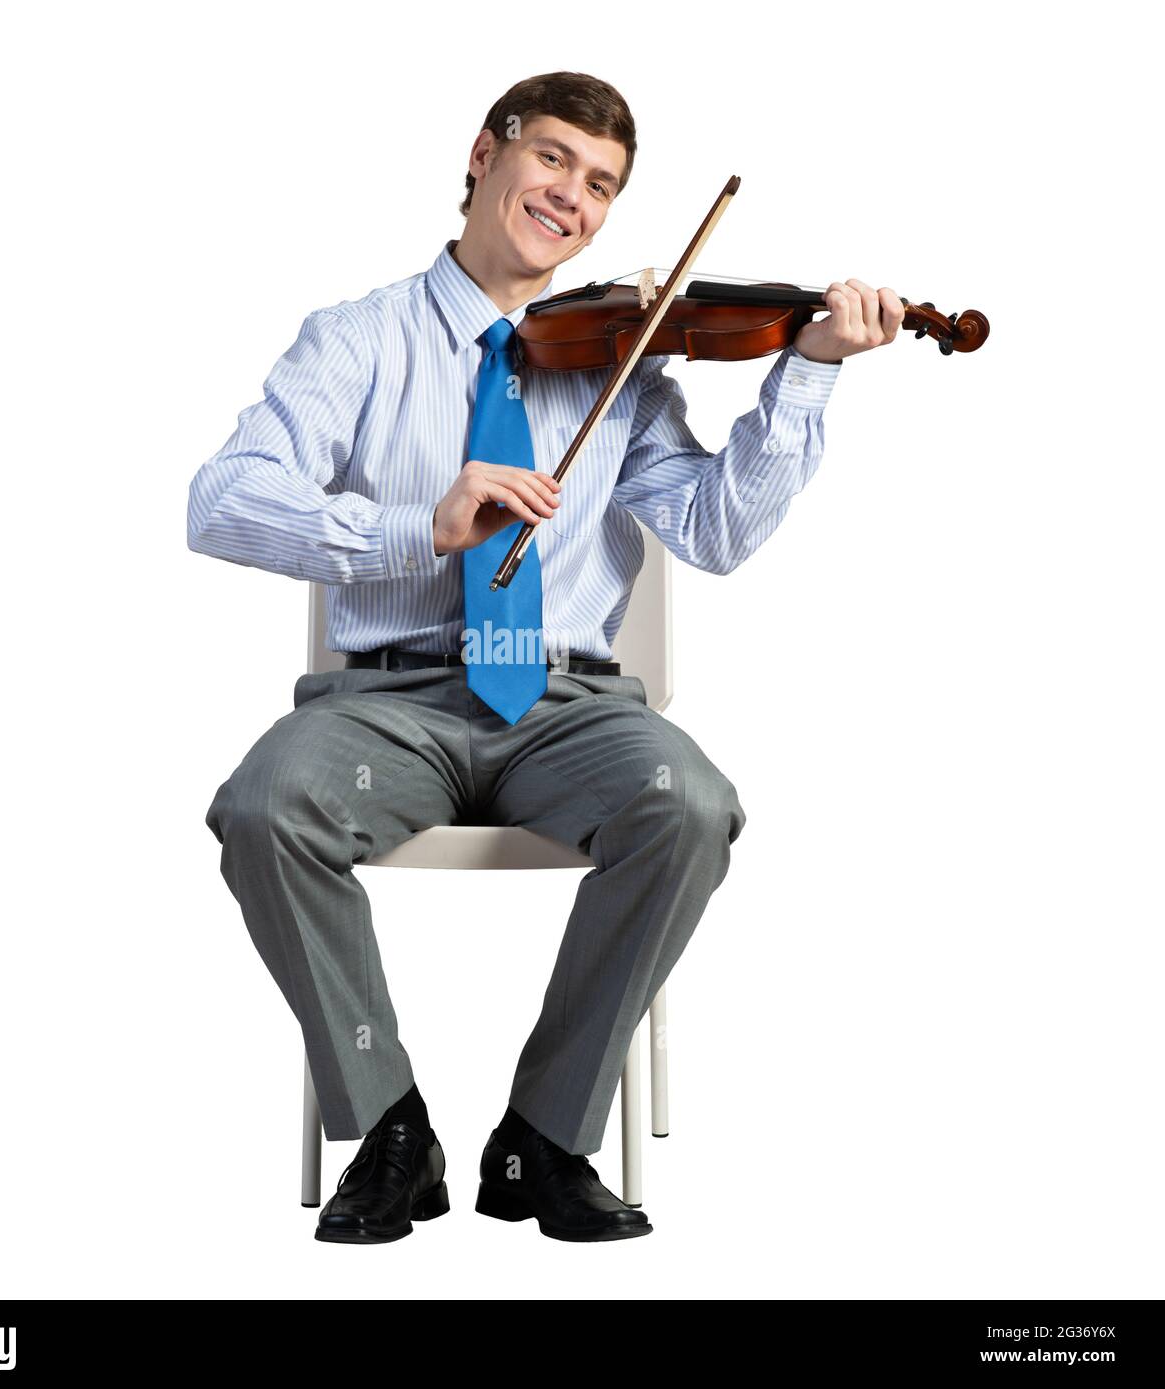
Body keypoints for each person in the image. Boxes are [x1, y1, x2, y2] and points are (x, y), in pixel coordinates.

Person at [188, 70, 903, 1245]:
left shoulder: (622, 362)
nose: (573, 196)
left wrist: (810, 367)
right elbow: (220, 502)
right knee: (267, 806)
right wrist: (419, 523)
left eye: (604, 185)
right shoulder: (356, 338)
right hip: (391, 703)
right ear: (485, 152)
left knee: (688, 803)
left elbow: (716, 533)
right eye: (556, 159)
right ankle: (388, 1128)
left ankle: (546, 1134)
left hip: (569, 708)